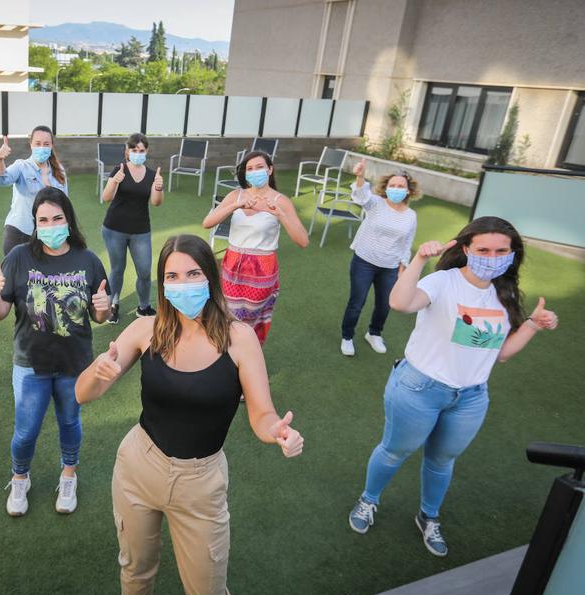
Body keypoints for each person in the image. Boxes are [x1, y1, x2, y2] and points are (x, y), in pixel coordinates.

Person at [76, 234, 304, 595]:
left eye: (193, 273)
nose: (182, 285)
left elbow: (262, 413)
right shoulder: (145, 330)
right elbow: (83, 395)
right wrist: (97, 372)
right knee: (135, 569)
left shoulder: (240, 338)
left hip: (201, 484)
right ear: (163, 285)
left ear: (211, 278)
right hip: (138, 467)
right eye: (173, 276)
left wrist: (277, 431)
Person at [348, 216, 558, 557]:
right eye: (483, 250)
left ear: (512, 253)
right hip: (419, 388)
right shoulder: (443, 281)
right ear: (466, 249)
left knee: (442, 461)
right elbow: (400, 303)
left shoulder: (504, 294)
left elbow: (500, 354)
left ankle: (428, 517)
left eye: (501, 250)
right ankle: (368, 500)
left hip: (471, 397)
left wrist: (532, 324)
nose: (492, 257)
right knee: (394, 450)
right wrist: (419, 260)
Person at [0, 187, 110, 517]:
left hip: (75, 363)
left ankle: (68, 475)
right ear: (34, 224)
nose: (51, 225)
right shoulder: (19, 258)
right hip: (31, 365)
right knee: (26, 431)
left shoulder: (88, 260)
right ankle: (20, 477)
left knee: (70, 422)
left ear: (68, 220)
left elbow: (99, 315)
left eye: (57, 218)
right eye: (43, 220)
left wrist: (104, 307)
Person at [202, 151, 309, 344]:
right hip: (232, 263)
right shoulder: (236, 195)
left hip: (262, 268)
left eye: (259, 167)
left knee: (249, 320)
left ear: (270, 170)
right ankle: (226, 356)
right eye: (249, 169)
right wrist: (234, 206)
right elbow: (207, 223)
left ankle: (245, 357)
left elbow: (303, 241)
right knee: (226, 313)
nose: (254, 172)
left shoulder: (280, 201)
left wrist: (281, 215)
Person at [340, 159, 419, 356]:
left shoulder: (411, 215)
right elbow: (360, 196)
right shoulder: (375, 203)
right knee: (357, 302)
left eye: (401, 186)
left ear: (408, 190)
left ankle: (374, 333)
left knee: (384, 304)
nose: (396, 188)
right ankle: (347, 336)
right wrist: (360, 176)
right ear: (386, 187)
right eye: (392, 185)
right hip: (364, 262)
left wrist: (403, 265)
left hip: (390, 266)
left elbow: (407, 243)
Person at [101, 132, 165, 324]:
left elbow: (156, 203)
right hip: (114, 229)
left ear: (147, 151)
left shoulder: (153, 175)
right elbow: (106, 197)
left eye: (141, 150)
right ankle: (113, 304)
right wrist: (114, 181)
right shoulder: (118, 170)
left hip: (140, 231)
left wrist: (159, 187)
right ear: (127, 151)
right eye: (134, 150)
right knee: (117, 269)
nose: (138, 153)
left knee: (145, 272)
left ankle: (143, 306)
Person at [0, 126, 68, 256]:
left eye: (46, 144)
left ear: (51, 146)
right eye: (37, 143)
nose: (42, 147)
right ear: (31, 144)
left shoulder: (59, 170)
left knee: (40, 276)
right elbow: (0, 180)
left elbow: (64, 204)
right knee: (16, 275)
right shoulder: (21, 166)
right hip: (20, 233)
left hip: (47, 235)